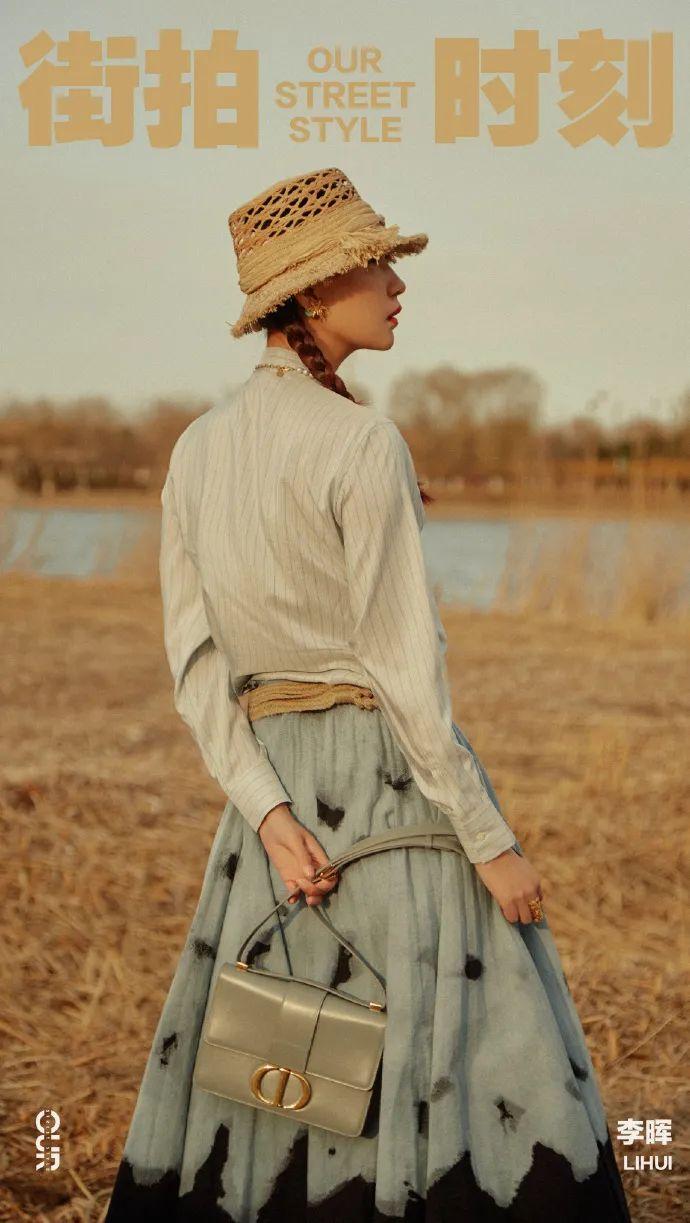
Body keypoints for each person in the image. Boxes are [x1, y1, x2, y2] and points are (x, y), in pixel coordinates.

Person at [104, 167, 632, 1220]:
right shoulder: (361, 442)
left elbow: (196, 666)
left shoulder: (198, 448)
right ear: (310, 293)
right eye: (376, 265)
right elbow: (403, 674)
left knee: (281, 1046)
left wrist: (267, 811)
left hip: (275, 806)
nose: (398, 285)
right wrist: (488, 837)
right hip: (392, 788)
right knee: (465, 1052)